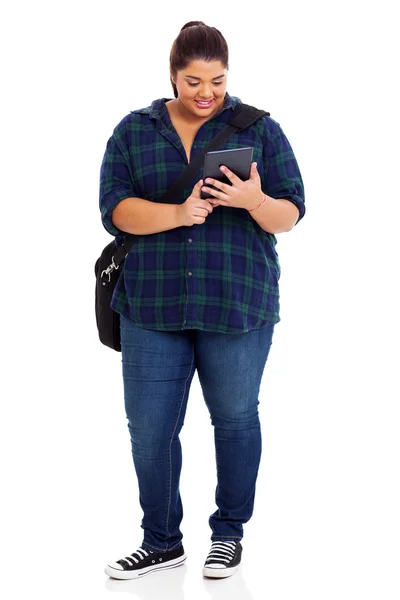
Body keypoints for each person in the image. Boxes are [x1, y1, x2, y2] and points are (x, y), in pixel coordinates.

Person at [100, 20, 305, 581]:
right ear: (173, 75)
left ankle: (228, 535)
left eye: (216, 80)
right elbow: (114, 209)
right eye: (193, 81)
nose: (206, 93)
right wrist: (177, 213)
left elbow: (290, 214)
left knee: (235, 419)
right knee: (149, 427)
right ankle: (161, 540)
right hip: (151, 305)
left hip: (237, 304)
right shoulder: (133, 132)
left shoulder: (260, 129)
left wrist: (254, 198)